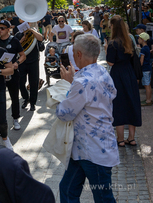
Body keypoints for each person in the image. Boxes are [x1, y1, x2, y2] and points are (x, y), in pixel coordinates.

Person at [57, 34, 119, 203]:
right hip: (86, 147)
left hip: (94, 149)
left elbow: (65, 113)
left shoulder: (82, 81)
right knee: (68, 190)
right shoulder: (102, 71)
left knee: (103, 198)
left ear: (78, 54)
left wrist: (64, 89)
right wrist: (72, 83)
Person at [105, 15, 142, 147]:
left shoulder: (113, 43)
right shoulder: (129, 41)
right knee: (132, 104)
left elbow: (110, 62)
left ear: (113, 27)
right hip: (130, 74)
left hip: (117, 75)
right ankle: (131, 138)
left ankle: (120, 139)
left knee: (119, 105)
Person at [0, 20, 26, 130]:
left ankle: (15, 119)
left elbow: (22, 55)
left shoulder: (14, 40)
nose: (0, 30)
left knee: (14, 97)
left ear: (8, 29)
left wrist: (17, 63)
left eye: (2, 28)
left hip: (12, 73)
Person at [16, 26, 44, 111]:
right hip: (21, 62)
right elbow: (15, 47)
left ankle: (32, 103)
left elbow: (41, 38)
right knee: (20, 82)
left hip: (33, 61)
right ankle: (26, 98)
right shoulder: (18, 34)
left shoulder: (34, 33)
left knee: (34, 83)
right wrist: (21, 40)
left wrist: (32, 30)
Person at [138, 32, 152, 106]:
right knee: (148, 84)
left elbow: (141, 60)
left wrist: (139, 68)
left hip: (145, 69)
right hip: (148, 68)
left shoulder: (143, 49)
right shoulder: (147, 48)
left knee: (146, 85)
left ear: (143, 40)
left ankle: (148, 100)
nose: (138, 40)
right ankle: (148, 98)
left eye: (139, 38)